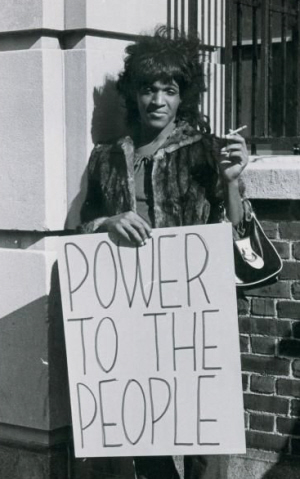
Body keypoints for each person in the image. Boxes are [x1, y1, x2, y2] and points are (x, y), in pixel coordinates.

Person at [80, 26, 251, 479]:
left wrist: (233, 182)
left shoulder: (207, 153)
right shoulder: (106, 157)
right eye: (148, 89)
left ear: (183, 97)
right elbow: (80, 228)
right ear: (134, 94)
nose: (157, 100)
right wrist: (107, 224)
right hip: (132, 312)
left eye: (169, 90)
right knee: (147, 425)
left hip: (193, 316)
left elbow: (237, 236)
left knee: (204, 433)